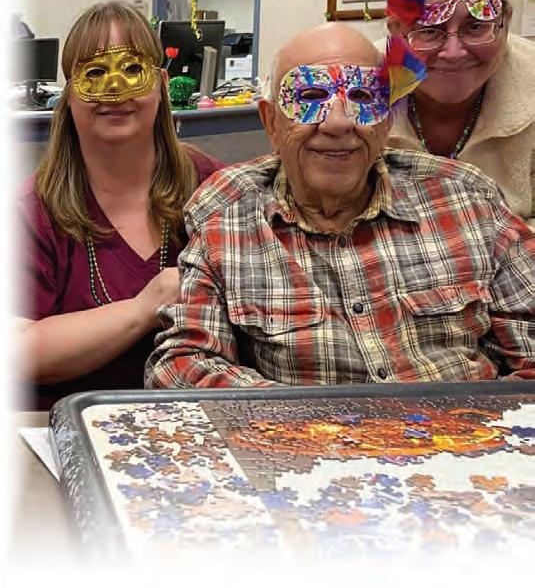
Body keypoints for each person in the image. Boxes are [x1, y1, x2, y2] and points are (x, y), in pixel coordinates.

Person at [145, 22, 535, 390]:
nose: (337, 123)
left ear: (386, 120)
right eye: (311, 98)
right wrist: (304, 420)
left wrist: (469, 424)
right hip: (301, 435)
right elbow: (183, 364)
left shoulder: (467, 200)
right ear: (272, 124)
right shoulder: (227, 215)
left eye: (362, 97)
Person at [18, 1, 225, 409]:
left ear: (161, 84)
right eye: (95, 73)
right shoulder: (30, 212)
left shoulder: (217, 187)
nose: (115, 89)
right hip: (69, 426)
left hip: (200, 423)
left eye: (132, 69)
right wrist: (146, 306)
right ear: (69, 94)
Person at [384, 0, 535, 227]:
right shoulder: (354, 85)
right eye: (429, 30)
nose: (453, 53)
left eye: (476, 26)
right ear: (396, 32)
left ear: (505, 21)